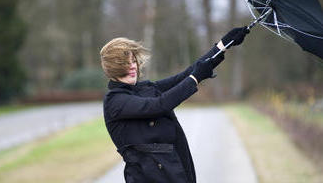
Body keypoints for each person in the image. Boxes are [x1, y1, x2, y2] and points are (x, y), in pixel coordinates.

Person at [100, 27, 249, 183]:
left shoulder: (144, 88)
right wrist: (195, 78)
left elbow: (185, 76)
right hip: (148, 177)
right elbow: (158, 106)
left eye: (133, 61)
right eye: (125, 63)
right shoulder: (115, 101)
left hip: (174, 168)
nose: (133, 66)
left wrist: (222, 46)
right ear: (113, 68)